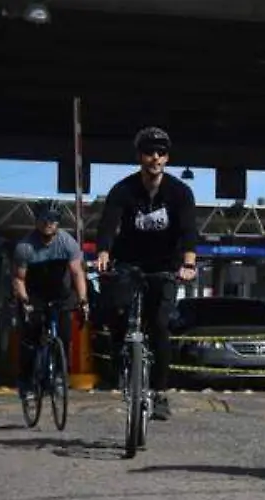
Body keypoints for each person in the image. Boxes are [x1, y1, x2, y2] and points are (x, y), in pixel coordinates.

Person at [94, 126, 199, 421]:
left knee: (160, 326)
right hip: (129, 262)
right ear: (140, 156)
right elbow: (108, 225)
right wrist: (103, 253)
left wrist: (188, 264)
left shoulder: (180, 192)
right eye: (150, 152)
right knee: (116, 310)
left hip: (165, 266)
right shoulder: (123, 190)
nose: (155, 157)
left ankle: (161, 393)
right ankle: (120, 363)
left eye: (161, 153)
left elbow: (189, 231)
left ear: (167, 158)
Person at [12, 200, 88, 400]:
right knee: (31, 336)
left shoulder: (67, 242)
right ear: (37, 221)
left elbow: (77, 273)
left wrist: (83, 300)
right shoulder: (25, 247)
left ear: (58, 222)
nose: (49, 223)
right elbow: (19, 279)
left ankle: (59, 378)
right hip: (34, 294)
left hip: (60, 294)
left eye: (53, 219)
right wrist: (25, 301)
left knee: (65, 336)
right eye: (44, 219)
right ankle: (26, 381)